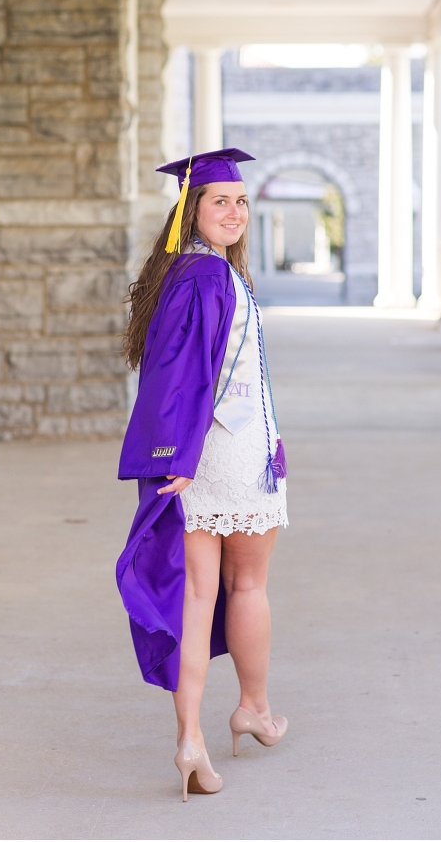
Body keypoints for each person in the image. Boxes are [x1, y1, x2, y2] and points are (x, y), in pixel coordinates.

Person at [115, 148, 289, 801]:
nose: (235, 211)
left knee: (197, 599)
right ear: (190, 207)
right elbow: (178, 376)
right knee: (247, 587)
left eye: (241, 202)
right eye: (220, 200)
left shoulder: (193, 271)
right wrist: (176, 460)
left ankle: (191, 739)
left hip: (217, 452)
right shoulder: (206, 277)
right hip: (226, 459)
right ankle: (254, 709)